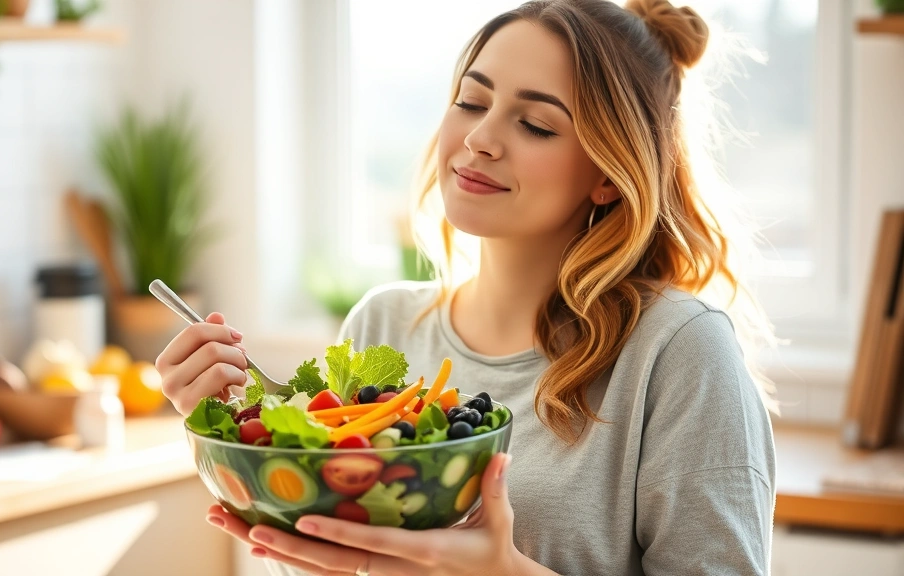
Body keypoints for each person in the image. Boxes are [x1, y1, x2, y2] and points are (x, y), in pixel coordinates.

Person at [156, 0, 778, 574]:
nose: (480, 139)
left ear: (608, 175)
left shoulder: (678, 353)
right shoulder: (384, 326)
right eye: (472, 102)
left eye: (535, 124)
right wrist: (234, 435)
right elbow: (336, 557)